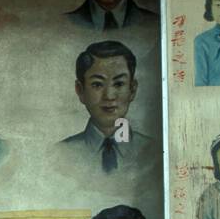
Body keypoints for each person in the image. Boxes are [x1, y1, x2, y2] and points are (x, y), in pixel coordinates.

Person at [57, 40, 157, 174]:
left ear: (132, 90)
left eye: (119, 84)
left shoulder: (155, 151)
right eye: (97, 84)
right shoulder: (61, 154)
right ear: (80, 90)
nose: (109, 96)